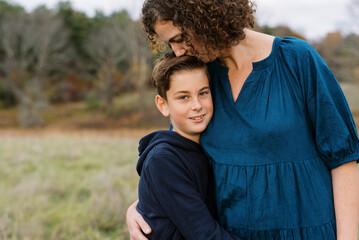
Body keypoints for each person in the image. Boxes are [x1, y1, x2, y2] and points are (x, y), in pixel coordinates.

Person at [127, 0, 359, 239]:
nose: (177, 51)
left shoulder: (297, 60)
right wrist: (141, 205)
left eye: (178, 38)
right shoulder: (201, 80)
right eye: (170, 43)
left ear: (201, 17)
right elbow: (179, 167)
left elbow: (343, 158)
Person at [135, 53, 241, 240]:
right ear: (163, 105)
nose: (197, 105)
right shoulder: (163, 160)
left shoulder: (210, 148)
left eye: (203, 93)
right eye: (183, 97)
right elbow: (205, 235)